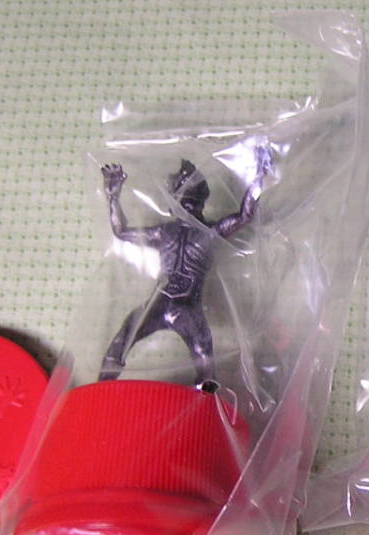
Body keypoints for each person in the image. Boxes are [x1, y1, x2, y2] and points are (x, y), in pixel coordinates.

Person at [98, 147, 269, 385]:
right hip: (160, 303)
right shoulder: (166, 232)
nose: (186, 203)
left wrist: (259, 176)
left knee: (204, 359)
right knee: (123, 339)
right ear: (174, 201)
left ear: (200, 201)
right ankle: (102, 389)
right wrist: (113, 197)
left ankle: (207, 402)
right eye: (182, 196)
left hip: (187, 308)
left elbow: (245, 216)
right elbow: (121, 232)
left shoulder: (208, 232)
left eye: (190, 197)